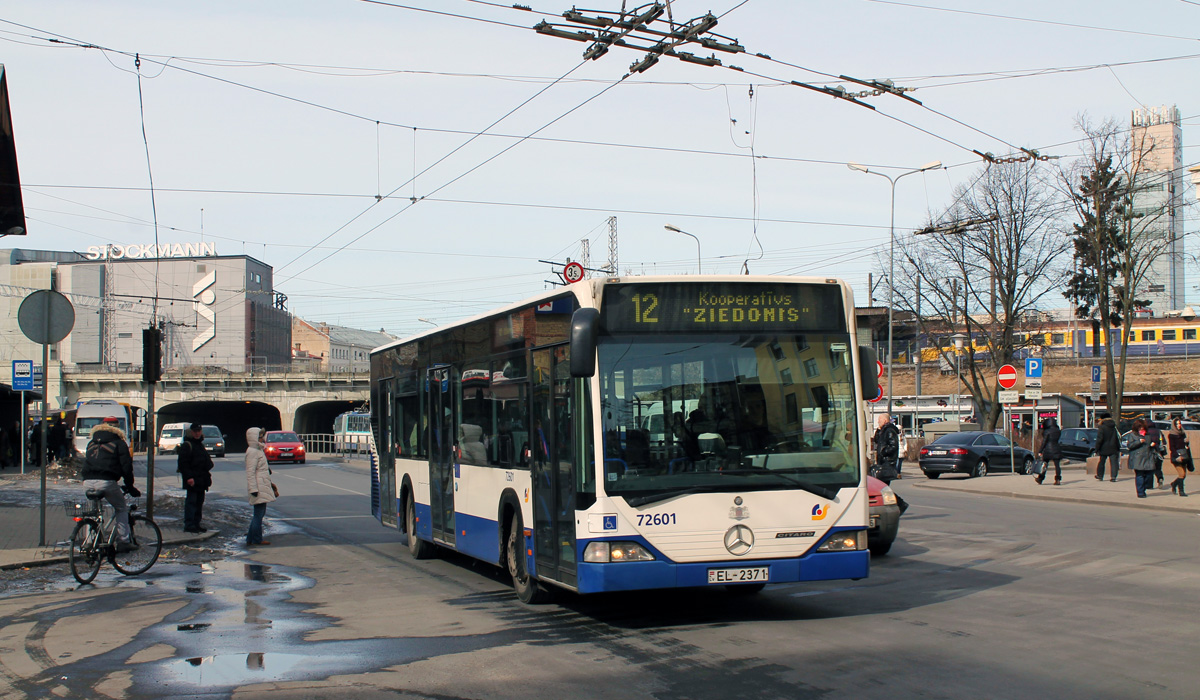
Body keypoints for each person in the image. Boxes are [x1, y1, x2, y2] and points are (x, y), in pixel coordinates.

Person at [80, 416, 139, 551]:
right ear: (117, 428)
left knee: (93, 512)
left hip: (87, 481)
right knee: (121, 508)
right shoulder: (118, 443)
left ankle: (89, 542)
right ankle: (123, 541)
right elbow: (126, 467)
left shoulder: (92, 442)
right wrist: (130, 486)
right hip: (106, 481)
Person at [177, 422, 214, 533]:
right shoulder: (187, 445)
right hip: (193, 480)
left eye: (199, 431)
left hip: (201, 480)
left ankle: (196, 524)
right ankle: (189, 524)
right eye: (195, 431)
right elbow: (183, 464)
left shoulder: (199, 445)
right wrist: (189, 477)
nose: (197, 433)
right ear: (191, 432)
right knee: (191, 503)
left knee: (199, 503)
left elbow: (206, 461)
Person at [244, 427, 275, 545]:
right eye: (260, 436)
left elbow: (259, 467)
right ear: (254, 438)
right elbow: (250, 472)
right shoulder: (253, 452)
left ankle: (251, 539)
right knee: (258, 514)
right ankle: (257, 539)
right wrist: (253, 489)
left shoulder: (257, 450)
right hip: (258, 486)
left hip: (261, 484)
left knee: (259, 514)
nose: (262, 438)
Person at [1126, 418, 1160, 499]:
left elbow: (1149, 445)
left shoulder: (1147, 435)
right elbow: (1130, 445)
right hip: (1138, 458)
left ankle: (1144, 488)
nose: (1141, 429)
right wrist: (1139, 442)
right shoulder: (1132, 435)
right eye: (1140, 427)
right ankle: (1140, 492)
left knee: (1149, 474)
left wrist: (1152, 445)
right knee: (1140, 475)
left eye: (1143, 427)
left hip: (1148, 457)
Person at [871, 413, 899, 483]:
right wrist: (878, 431)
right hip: (882, 461)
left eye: (879, 420)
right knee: (881, 482)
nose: (878, 422)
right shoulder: (883, 430)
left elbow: (893, 446)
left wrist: (883, 452)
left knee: (884, 482)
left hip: (887, 461)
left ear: (885, 420)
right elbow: (877, 441)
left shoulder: (889, 430)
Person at [1035, 416, 1063, 486]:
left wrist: (1040, 451)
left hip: (1048, 450)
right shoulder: (1058, 431)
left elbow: (1044, 442)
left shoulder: (1047, 431)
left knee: (1044, 465)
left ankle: (1040, 478)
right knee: (1057, 466)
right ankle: (1057, 479)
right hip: (1056, 448)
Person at [1166, 418, 1190, 498]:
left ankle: (1174, 484)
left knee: (1183, 475)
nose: (1179, 425)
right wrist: (1177, 455)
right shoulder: (1172, 435)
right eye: (1177, 424)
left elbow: (1186, 446)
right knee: (1181, 474)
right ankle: (1181, 491)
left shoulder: (1183, 433)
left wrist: (1187, 442)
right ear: (1174, 425)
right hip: (1176, 457)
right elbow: (1171, 447)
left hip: (1184, 455)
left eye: (1180, 423)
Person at [1095, 412, 1121, 482]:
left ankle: (1100, 475)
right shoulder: (1114, 426)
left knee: (1102, 462)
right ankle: (1113, 477)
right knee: (1114, 463)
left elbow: (1100, 438)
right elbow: (1117, 437)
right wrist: (1118, 447)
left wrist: (1097, 448)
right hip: (1113, 447)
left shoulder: (1102, 427)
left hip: (1104, 447)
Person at [1145, 419, 1166, 489]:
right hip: (1158, 452)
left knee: (1150, 469)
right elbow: (1163, 442)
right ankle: (1160, 478)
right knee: (1158, 468)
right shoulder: (1158, 431)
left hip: (1149, 452)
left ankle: (1149, 485)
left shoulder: (1145, 432)